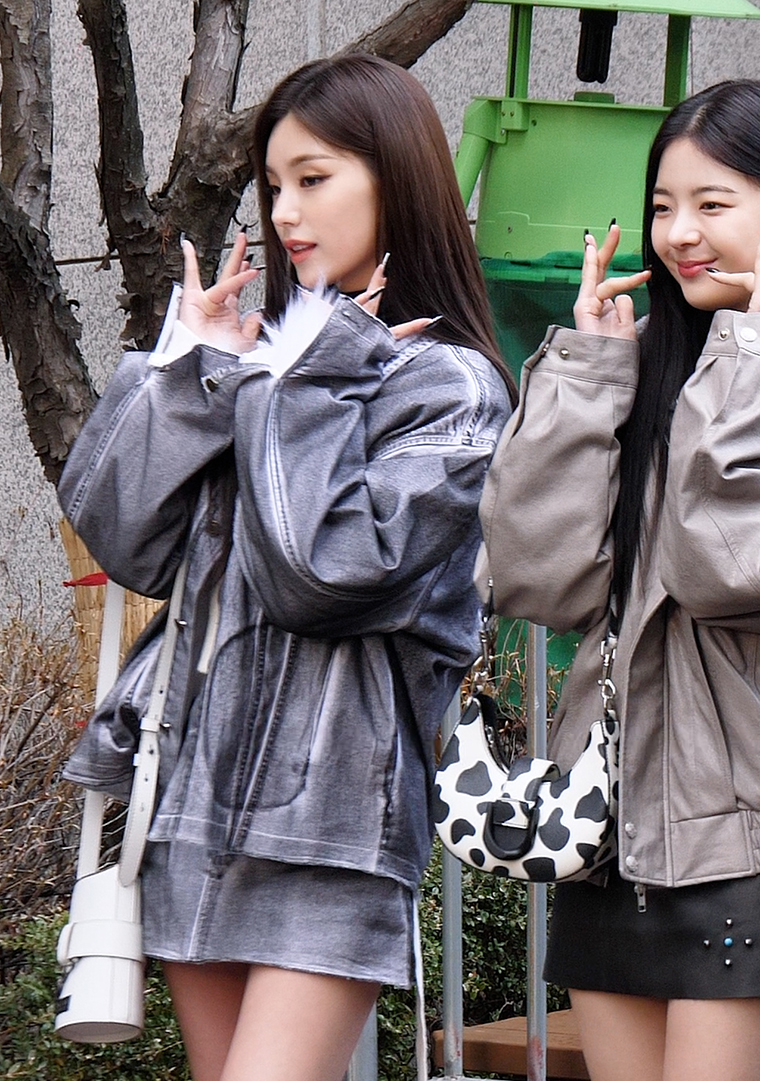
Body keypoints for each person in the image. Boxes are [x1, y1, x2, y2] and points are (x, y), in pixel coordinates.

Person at [58, 55, 511, 1081]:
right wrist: (192, 368)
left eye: (315, 178)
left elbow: (324, 571)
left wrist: (301, 382)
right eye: (274, 184)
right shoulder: (274, 363)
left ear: (396, 179)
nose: (285, 212)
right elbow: (126, 538)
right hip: (191, 799)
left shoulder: (451, 388)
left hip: (330, 824)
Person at [478, 79, 760, 1081]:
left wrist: (752, 352)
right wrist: (587, 379)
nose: (678, 233)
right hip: (613, 826)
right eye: (662, 206)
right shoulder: (641, 375)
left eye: (712, 204)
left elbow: (731, 567)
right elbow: (536, 576)